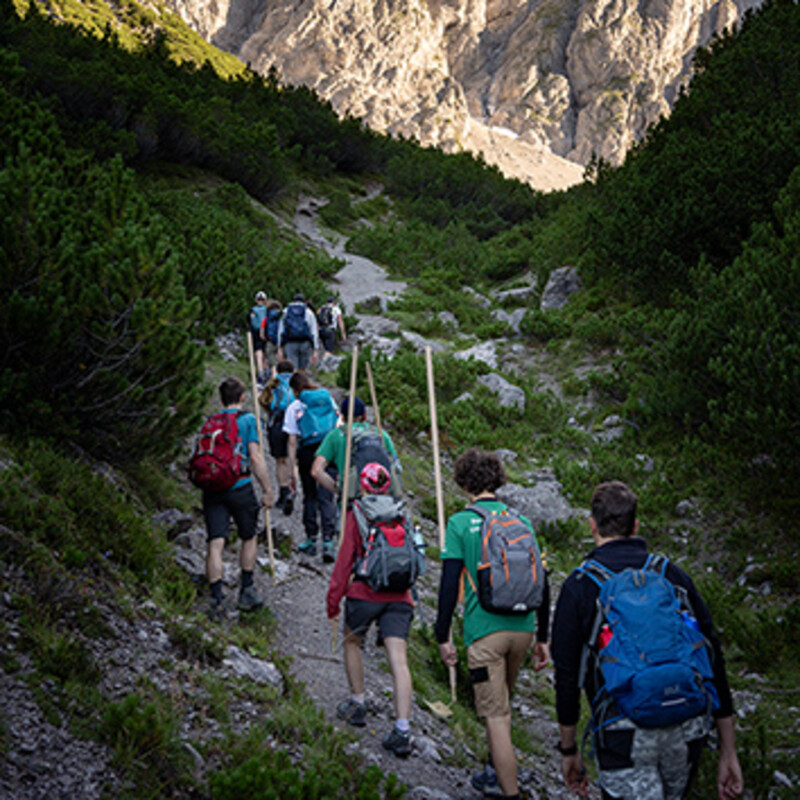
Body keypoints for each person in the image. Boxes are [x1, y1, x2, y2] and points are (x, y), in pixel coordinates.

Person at [551, 480, 743, 800]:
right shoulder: (672, 575)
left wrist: (569, 750)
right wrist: (728, 750)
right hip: (686, 722)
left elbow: (567, 677)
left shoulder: (579, 586)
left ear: (592, 525)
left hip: (622, 731)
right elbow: (712, 658)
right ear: (636, 525)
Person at [435, 448, 550, 800]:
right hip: (523, 630)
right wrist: (542, 638)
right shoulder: (521, 521)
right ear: (496, 480)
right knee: (504, 706)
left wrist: (442, 636)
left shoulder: (459, 523)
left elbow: (448, 586)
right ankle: (492, 770)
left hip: (485, 632)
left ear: (463, 483)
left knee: (496, 716)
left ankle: (509, 792)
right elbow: (543, 581)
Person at [326, 462, 415, 758]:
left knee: (352, 642)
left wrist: (333, 601)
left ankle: (357, 703)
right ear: (387, 485)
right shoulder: (402, 512)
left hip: (364, 594)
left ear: (362, 485)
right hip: (400, 595)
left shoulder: (357, 513)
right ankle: (403, 729)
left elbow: (344, 562)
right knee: (398, 659)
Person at [201, 377, 274, 619]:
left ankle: (216, 601)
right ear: (243, 397)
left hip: (213, 488)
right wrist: (267, 489)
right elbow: (255, 458)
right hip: (240, 486)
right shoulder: (248, 420)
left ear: (221, 399)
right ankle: (246, 590)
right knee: (249, 536)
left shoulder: (211, 421)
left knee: (215, 542)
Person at [283, 371, 339, 559]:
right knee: (327, 496)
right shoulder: (327, 398)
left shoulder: (295, 406)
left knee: (310, 495)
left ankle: (311, 539)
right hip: (329, 449)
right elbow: (338, 424)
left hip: (307, 451)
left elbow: (292, 440)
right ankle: (328, 542)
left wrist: (292, 469)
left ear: (294, 390)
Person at [311, 395, 402, 505]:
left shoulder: (335, 435)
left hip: (352, 504)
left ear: (342, 417)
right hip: (383, 503)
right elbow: (396, 466)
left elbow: (316, 471)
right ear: (365, 416)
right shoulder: (380, 434)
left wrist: (340, 490)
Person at [258, 358, 296, 516]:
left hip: (277, 423)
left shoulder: (273, 384)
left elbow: (262, 400)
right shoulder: (296, 383)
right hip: (294, 422)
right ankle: (294, 489)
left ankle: (284, 491)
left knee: (280, 460)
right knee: (292, 458)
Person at [277, 294, 320, 370]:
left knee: (293, 368)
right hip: (305, 343)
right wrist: (315, 349)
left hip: (290, 343)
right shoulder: (308, 312)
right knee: (303, 369)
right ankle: (302, 376)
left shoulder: (286, 311)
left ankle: (294, 376)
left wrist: (279, 348)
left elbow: (280, 330)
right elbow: (314, 332)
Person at [248, 291, 269, 381]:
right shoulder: (268, 310)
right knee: (266, 352)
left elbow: (250, 322)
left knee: (258, 352)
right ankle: (267, 371)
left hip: (256, 332)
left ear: (256, 300)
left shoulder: (253, 310)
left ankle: (260, 373)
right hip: (266, 331)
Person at [261, 299, 283, 378]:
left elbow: (262, 334)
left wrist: (265, 339)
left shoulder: (266, 318)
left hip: (270, 341)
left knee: (273, 363)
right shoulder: (282, 316)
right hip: (282, 341)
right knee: (282, 361)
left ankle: (274, 377)